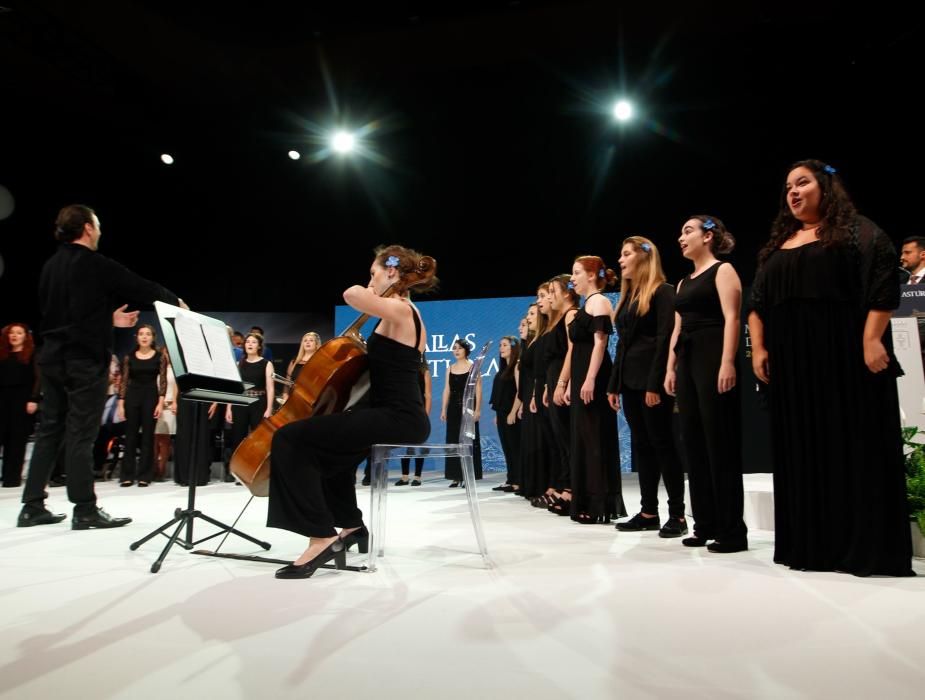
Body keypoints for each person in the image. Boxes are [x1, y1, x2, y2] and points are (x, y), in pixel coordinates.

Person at [748, 159, 913, 576]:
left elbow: (882, 281)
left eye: (802, 183)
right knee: (803, 444)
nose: (793, 192)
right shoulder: (779, 243)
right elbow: (757, 303)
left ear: (825, 186)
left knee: (851, 441)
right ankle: (812, 544)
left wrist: (872, 338)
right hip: (792, 364)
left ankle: (859, 545)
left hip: (843, 357)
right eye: (788, 187)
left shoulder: (857, 230)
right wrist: (759, 349)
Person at [267, 245, 436, 579]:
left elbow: (350, 294)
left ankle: (320, 537)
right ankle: (350, 525)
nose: (369, 281)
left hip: (399, 417)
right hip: (391, 414)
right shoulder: (396, 314)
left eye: (373, 273)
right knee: (332, 457)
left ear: (391, 273)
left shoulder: (401, 311)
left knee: (289, 439)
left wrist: (374, 288)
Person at [17, 204, 184, 529]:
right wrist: (174, 301)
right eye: (98, 226)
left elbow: (62, 317)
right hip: (83, 361)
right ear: (88, 229)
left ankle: (32, 505)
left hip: (52, 359)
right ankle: (85, 509)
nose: (100, 232)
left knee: (50, 430)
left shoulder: (51, 266)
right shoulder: (95, 264)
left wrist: (108, 319)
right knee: (81, 433)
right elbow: (141, 287)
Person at [664, 215, 747, 553]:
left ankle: (731, 530)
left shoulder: (723, 271)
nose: (681, 238)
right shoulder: (682, 283)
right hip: (687, 360)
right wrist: (670, 367)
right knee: (693, 442)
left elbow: (733, 317)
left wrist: (728, 361)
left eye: (687, 231)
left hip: (714, 355)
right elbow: (676, 328)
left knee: (719, 442)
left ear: (708, 236)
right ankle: (705, 524)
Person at [608, 237, 687, 538]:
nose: (621, 260)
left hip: (650, 383)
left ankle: (678, 515)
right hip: (629, 383)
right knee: (642, 446)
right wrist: (614, 385)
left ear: (644, 258)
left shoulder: (663, 292)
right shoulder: (628, 299)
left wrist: (655, 384)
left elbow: (666, 339)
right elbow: (624, 346)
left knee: (663, 444)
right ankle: (648, 512)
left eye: (626, 254)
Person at [563, 255, 625, 524]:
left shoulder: (599, 301)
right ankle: (587, 499)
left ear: (591, 275)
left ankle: (598, 502)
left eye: (576, 273)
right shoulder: (586, 304)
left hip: (594, 377)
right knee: (584, 439)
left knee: (595, 439)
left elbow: (600, 344)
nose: (572, 278)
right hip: (581, 377)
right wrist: (569, 384)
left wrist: (589, 379)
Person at [117, 324, 167, 487]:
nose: (144, 337)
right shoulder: (129, 357)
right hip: (132, 396)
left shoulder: (160, 357)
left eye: (148, 334)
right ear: (137, 337)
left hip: (151, 396)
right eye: (141, 334)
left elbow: (163, 381)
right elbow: (123, 381)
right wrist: (121, 403)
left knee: (148, 437)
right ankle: (127, 475)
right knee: (130, 436)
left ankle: (145, 475)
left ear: (153, 338)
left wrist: (160, 402)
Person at [0, 323, 39, 487]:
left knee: (17, 439)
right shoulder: (2, 354)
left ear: (25, 336)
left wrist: (34, 399)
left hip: (22, 400)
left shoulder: (32, 354)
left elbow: (38, 378)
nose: (14, 336)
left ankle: (12, 477)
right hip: (2, 399)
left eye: (19, 333)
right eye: (11, 333)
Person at [440, 338, 483, 487]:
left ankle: (468, 476)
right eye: (454, 348)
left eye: (459, 348)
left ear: (466, 350)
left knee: (468, 441)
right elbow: (447, 390)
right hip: (453, 410)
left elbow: (478, 389)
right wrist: (443, 409)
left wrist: (477, 410)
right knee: (453, 441)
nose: (456, 351)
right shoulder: (449, 368)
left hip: (468, 409)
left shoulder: (474, 367)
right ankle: (455, 476)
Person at [396, 353, 432, 486]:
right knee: (405, 446)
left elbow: (428, 395)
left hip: (420, 412)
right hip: (406, 411)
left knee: (419, 445)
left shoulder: (425, 372)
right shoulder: (404, 370)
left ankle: (417, 476)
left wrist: (426, 415)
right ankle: (404, 477)